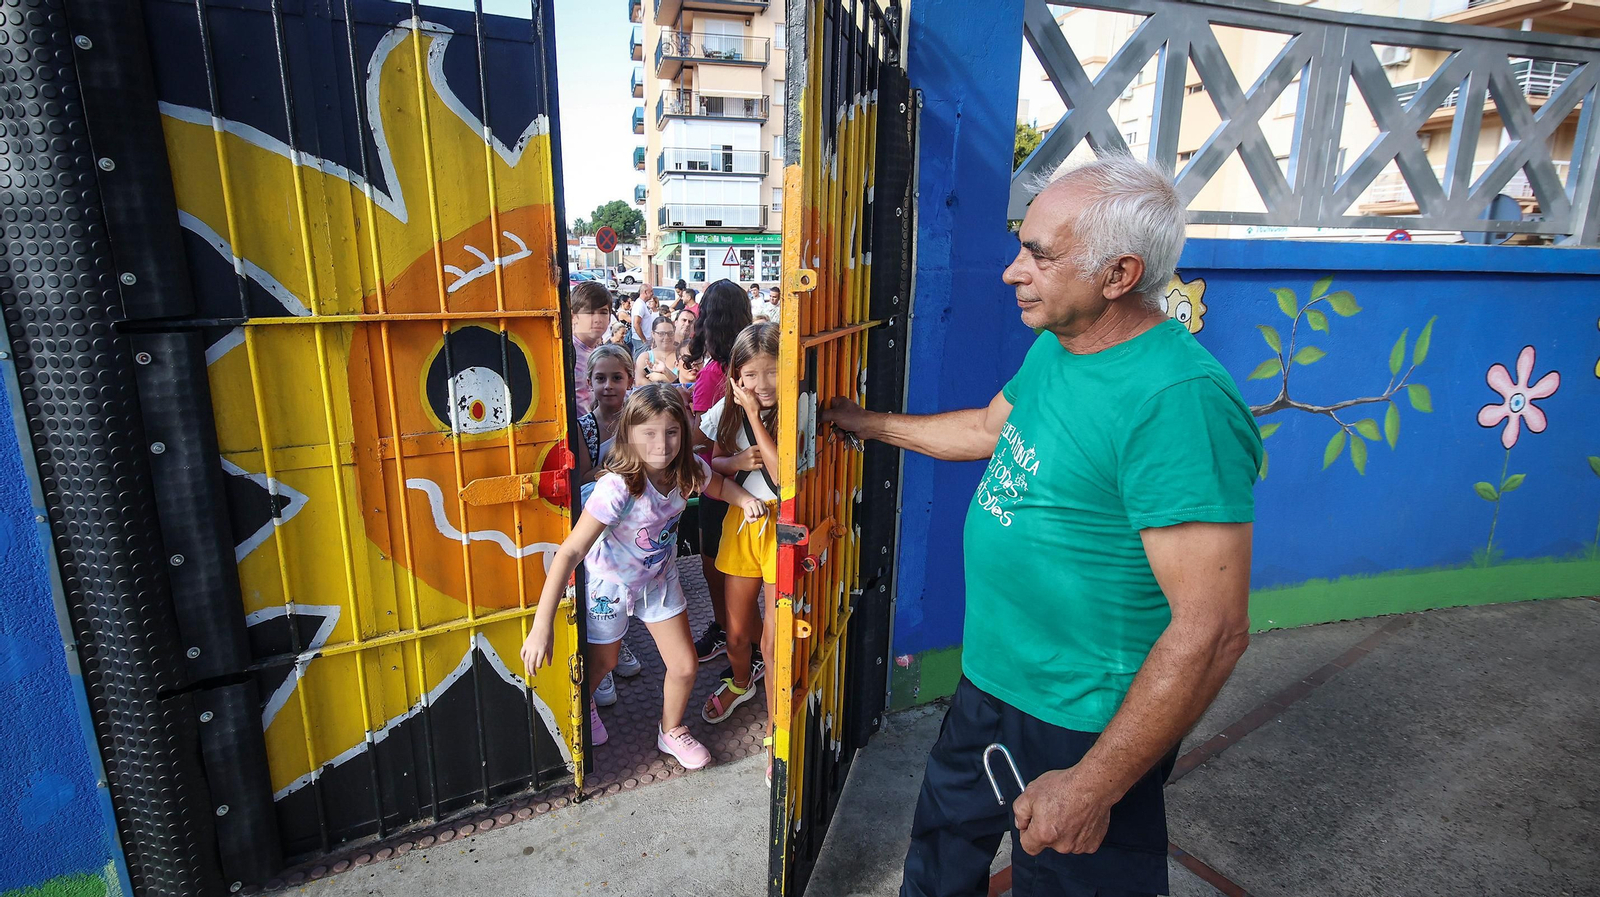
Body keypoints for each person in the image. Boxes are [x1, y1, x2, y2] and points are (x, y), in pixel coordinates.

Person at [824, 156, 1260, 897]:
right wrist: (867, 424)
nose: (1011, 271)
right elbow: (988, 429)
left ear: (1118, 274)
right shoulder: (1061, 345)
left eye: (1039, 254)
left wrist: (1094, 782)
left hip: (1082, 720)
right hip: (990, 684)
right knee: (936, 863)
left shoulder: (1179, 403)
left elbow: (1212, 630)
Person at [521, 385, 769, 769]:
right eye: (649, 432)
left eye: (671, 432)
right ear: (629, 435)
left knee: (685, 665)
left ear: (684, 433)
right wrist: (542, 625)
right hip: (610, 585)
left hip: (658, 580)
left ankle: (670, 730)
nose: (661, 444)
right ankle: (584, 701)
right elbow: (570, 552)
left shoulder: (689, 470)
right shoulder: (617, 487)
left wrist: (744, 499)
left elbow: (717, 484)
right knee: (603, 663)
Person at [698, 324, 781, 778]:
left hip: (779, 528)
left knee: (771, 641)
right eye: (751, 374)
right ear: (735, 376)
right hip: (741, 525)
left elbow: (784, 472)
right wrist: (733, 463)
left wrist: (753, 415)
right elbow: (709, 466)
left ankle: (776, 729)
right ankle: (741, 681)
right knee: (735, 633)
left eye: (772, 371)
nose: (762, 384)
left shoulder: (796, 408)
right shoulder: (722, 412)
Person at [683, 280, 754, 665]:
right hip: (747, 481)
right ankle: (741, 638)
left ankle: (730, 636)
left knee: (714, 564)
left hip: (715, 478)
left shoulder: (713, 372)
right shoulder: (745, 366)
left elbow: (701, 436)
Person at [572, 343, 641, 706]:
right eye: (601, 378)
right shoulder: (585, 427)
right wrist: (614, 473)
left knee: (631, 586)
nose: (609, 385)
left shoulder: (640, 418)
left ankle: (620, 637)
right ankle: (603, 656)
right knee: (603, 587)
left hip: (637, 520)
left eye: (617, 377)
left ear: (629, 379)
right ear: (590, 382)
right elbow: (583, 477)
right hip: (602, 521)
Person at [569, 281, 612, 413]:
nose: (598, 319)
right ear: (573, 317)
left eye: (603, 312)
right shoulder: (566, 354)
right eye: (590, 312)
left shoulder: (604, 353)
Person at [635, 317, 680, 385]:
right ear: (653, 334)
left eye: (670, 333)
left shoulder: (682, 354)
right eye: (661, 333)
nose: (666, 337)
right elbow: (639, 382)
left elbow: (686, 381)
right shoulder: (645, 357)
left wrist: (662, 378)